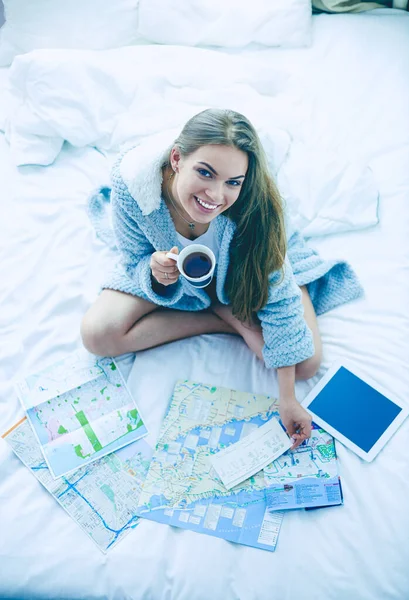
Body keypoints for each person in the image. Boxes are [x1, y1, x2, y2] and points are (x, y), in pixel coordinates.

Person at [81, 108, 363, 450]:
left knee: (305, 364)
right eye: (205, 173)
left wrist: (287, 398)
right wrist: (153, 273)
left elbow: (281, 298)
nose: (215, 196)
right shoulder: (134, 186)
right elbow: (133, 258)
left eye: (232, 182)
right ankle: (221, 318)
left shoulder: (257, 208)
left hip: (242, 275)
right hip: (177, 282)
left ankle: (226, 311)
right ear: (176, 159)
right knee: (97, 336)